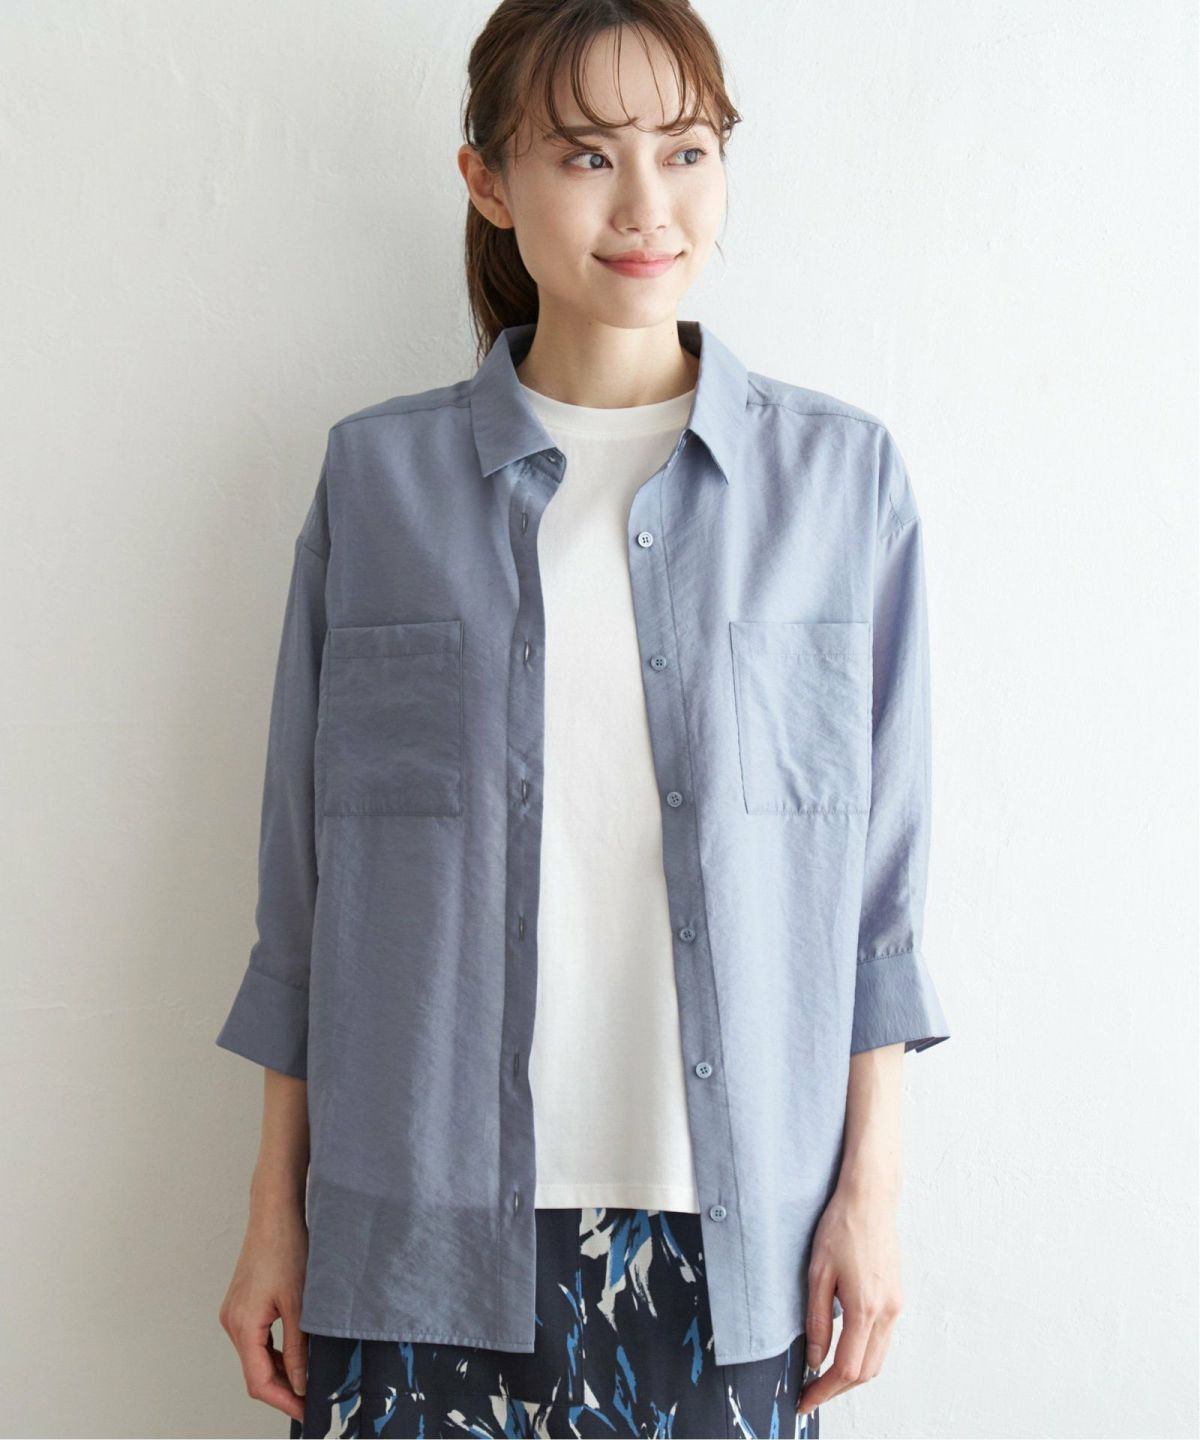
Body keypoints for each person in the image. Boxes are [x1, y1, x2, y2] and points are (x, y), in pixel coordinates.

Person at [215, 2, 951, 1436]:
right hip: (410, 1240)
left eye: (686, 150)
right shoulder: (379, 485)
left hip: (738, 1250)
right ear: (488, 181)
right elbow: (305, 891)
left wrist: (871, 1195)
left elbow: (878, 900)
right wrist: (271, 1209)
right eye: (587, 155)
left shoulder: (839, 487)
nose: (646, 204)